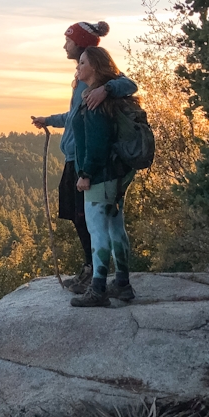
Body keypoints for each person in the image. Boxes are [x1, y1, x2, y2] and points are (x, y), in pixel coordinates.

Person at [30, 22, 137, 290]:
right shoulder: (84, 81)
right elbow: (74, 116)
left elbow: (129, 84)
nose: (64, 46)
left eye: (68, 41)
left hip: (86, 161)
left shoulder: (99, 82)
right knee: (94, 219)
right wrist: (49, 120)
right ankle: (108, 276)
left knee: (86, 218)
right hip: (81, 158)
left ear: (80, 44)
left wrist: (106, 90)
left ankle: (94, 275)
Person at [68, 46, 138, 308]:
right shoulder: (105, 96)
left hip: (100, 176)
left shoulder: (96, 101)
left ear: (95, 67)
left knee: (98, 231)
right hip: (116, 174)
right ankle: (122, 284)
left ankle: (98, 289)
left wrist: (85, 174)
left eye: (83, 62)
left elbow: (96, 143)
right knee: (116, 227)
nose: (78, 66)